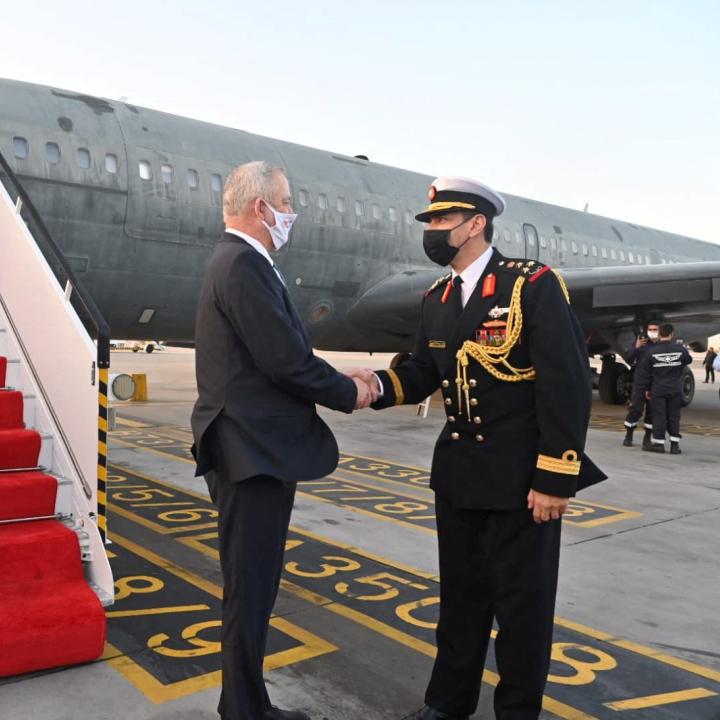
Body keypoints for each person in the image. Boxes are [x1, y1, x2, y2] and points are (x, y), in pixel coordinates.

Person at [351, 176, 606, 720]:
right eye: (431, 223)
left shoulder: (530, 285)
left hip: (521, 482)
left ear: (476, 225)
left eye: (443, 221)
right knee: (460, 605)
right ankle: (447, 705)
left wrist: (556, 477)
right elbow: (422, 371)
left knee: (523, 612)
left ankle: (517, 712)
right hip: (461, 476)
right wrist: (372, 386)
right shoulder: (437, 297)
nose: (434, 231)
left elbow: (565, 384)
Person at [190, 161, 376, 720]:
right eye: (285, 201)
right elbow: (284, 362)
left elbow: (278, 354)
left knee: (254, 587)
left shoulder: (244, 263)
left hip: (255, 450)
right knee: (249, 590)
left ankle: (244, 704)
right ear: (259, 208)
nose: (290, 212)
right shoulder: (243, 264)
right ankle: (245, 712)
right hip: (251, 453)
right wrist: (351, 391)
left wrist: (342, 378)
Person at [636, 323, 692, 455]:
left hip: (658, 389)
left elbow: (646, 373)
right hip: (675, 388)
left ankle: (659, 444)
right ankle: (674, 445)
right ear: (672, 334)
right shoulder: (680, 350)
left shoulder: (651, 351)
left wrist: (647, 390)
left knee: (659, 416)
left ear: (659, 334)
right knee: (674, 416)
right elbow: (687, 360)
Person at [621, 321, 660, 448]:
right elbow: (629, 359)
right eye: (650, 329)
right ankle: (629, 435)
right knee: (636, 409)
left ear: (660, 331)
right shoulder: (641, 343)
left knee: (652, 412)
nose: (652, 331)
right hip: (640, 383)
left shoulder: (662, 345)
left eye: (655, 329)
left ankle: (647, 437)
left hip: (655, 383)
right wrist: (635, 347)